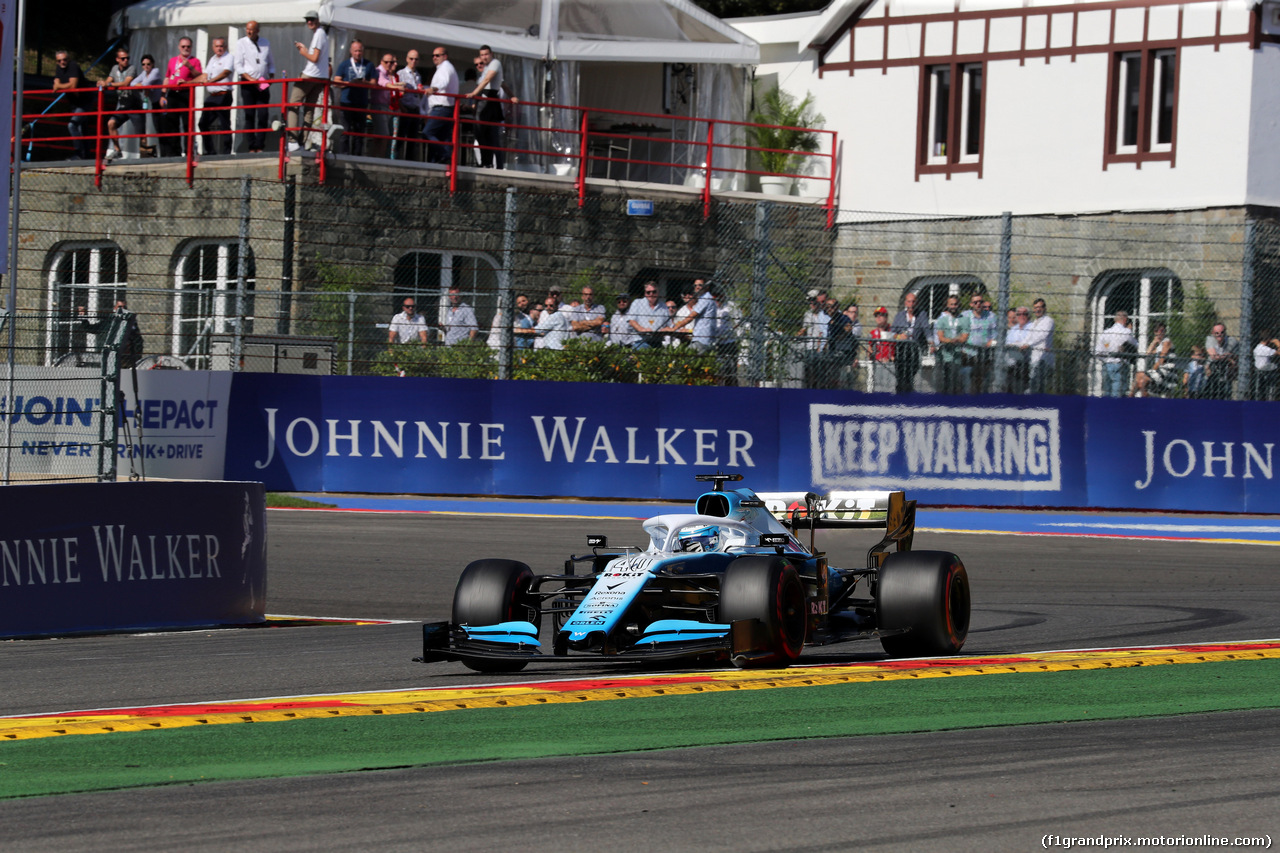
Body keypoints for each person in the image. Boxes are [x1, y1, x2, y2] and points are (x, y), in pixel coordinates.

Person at [287, 10, 330, 153]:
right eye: (307, 20)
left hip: (312, 75)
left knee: (293, 104)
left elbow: (314, 58)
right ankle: (301, 141)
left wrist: (303, 51)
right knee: (309, 109)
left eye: (312, 19)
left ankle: (293, 140)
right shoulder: (321, 34)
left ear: (317, 20)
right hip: (321, 77)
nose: (309, 22)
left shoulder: (319, 34)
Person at [158, 37, 202, 157]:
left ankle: (188, 152)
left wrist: (190, 67)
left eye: (188, 46)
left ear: (191, 48)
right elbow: (167, 77)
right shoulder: (172, 60)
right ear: (179, 47)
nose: (185, 49)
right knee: (172, 123)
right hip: (172, 93)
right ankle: (174, 153)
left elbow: (200, 76)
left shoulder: (195, 61)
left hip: (186, 93)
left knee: (187, 123)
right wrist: (163, 94)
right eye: (183, 46)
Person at [235, 21, 275, 154]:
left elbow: (270, 62)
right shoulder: (241, 43)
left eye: (252, 30)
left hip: (262, 82)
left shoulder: (265, 42)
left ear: (257, 30)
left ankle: (260, 145)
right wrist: (251, 79)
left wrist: (271, 77)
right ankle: (251, 146)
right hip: (248, 83)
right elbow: (238, 66)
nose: (249, 32)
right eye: (247, 29)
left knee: (263, 114)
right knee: (249, 115)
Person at [468, 45, 508, 169]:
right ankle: (487, 162)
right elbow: (499, 82)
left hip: (488, 101)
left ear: (491, 54)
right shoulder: (487, 68)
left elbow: (487, 81)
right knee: (481, 134)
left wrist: (474, 93)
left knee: (489, 135)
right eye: (481, 56)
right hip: (483, 101)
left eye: (486, 55)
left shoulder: (495, 64)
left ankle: (491, 164)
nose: (483, 60)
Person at [330, 40, 372, 156]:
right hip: (346, 101)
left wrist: (365, 83)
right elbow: (336, 81)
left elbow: (374, 83)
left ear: (363, 52)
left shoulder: (368, 64)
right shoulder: (344, 64)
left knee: (359, 131)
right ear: (351, 51)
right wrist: (348, 83)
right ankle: (344, 153)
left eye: (359, 51)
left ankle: (357, 155)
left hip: (361, 102)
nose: (358, 53)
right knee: (345, 129)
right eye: (355, 51)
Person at [77, 299, 144, 369]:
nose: (122, 309)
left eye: (124, 307)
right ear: (115, 308)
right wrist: (83, 316)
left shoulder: (130, 323)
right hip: (111, 354)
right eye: (120, 307)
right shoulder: (110, 321)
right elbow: (90, 328)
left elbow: (138, 340)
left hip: (126, 356)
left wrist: (136, 356)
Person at [198, 38, 235, 155]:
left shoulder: (229, 57)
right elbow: (205, 75)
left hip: (223, 95)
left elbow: (226, 72)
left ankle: (226, 153)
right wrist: (187, 82)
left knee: (224, 124)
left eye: (222, 46)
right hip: (212, 96)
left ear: (225, 47)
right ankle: (210, 151)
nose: (219, 48)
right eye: (217, 46)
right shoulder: (212, 59)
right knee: (203, 123)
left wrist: (211, 81)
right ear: (213, 47)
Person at [52, 50, 91, 160]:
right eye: (59, 61)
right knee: (82, 128)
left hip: (84, 101)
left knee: (72, 125)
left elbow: (72, 85)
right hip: (75, 102)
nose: (62, 62)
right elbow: (55, 84)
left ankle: (79, 154)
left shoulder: (73, 66)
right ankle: (86, 156)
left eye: (64, 60)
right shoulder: (59, 68)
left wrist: (59, 85)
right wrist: (61, 85)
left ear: (68, 59)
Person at [99, 49, 137, 161]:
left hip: (135, 104)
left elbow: (126, 83)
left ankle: (150, 155)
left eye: (127, 58)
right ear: (117, 60)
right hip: (124, 105)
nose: (126, 60)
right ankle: (117, 150)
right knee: (111, 123)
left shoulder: (132, 68)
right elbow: (108, 81)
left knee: (141, 132)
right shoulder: (115, 69)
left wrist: (110, 84)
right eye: (123, 58)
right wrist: (102, 83)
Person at [423, 47, 459, 164]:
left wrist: (433, 88)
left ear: (445, 56)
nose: (434, 57)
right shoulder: (444, 68)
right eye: (433, 55)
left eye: (438, 55)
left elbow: (443, 82)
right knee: (444, 137)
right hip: (446, 107)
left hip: (441, 107)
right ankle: (444, 161)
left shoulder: (445, 68)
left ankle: (446, 155)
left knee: (428, 133)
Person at [891, 291, 929, 394]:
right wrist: (899, 336)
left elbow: (927, 331)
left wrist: (931, 343)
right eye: (909, 302)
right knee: (900, 376)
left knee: (910, 376)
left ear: (916, 303)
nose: (911, 304)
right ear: (905, 303)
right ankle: (900, 397)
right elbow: (892, 333)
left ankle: (908, 396)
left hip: (914, 350)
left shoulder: (921, 315)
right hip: (902, 350)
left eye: (913, 302)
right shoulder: (899, 316)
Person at [667, 279, 718, 353]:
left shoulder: (705, 298)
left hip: (702, 339)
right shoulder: (704, 298)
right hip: (703, 338)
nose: (697, 287)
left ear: (706, 287)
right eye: (695, 285)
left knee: (685, 358)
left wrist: (674, 329)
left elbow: (691, 316)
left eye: (700, 285)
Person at [933, 294, 970, 396]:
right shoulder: (942, 320)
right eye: (951, 304)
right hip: (944, 355)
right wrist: (952, 340)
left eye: (956, 304)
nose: (953, 306)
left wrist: (954, 340)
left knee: (955, 383)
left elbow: (964, 337)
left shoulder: (964, 320)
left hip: (957, 356)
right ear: (947, 305)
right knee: (944, 383)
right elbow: (941, 337)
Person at [1096, 310, 1137, 398]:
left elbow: (1098, 351)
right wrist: (1130, 331)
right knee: (1118, 391)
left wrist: (1106, 359)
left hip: (1107, 364)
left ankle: (1106, 408)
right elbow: (1136, 345)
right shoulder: (1126, 332)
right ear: (1125, 319)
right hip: (1120, 363)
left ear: (1115, 319)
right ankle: (1116, 409)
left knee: (1106, 390)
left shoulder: (1106, 332)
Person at [1132, 323, 1177, 398]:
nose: (1159, 333)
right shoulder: (1159, 345)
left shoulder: (1167, 342)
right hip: (1159, 370)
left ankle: (1140, 397)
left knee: (1141, 378)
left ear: (1165, 332)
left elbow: (1161, 359)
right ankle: (1132, 397)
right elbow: (1148, 353)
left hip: (1166, 371)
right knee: (1139, 378)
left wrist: (1153, 370)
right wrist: (1154, 341)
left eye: (1162, 331)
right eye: (1157, 331)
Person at [964, 293, 997, 394]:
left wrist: (991, 341)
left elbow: (996, 334)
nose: (978, 304)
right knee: (968, 383)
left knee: (982, 383)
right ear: (971, 304)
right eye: (975, 302)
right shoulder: (965, 316)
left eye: (980, 302)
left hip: (985, 354)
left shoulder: (991, 316)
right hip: (968, 354)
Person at [396, 50, 424, 161]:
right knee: (401, 136)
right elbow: (396, 93)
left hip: (415, 108)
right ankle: (396, 159)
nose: (413, 61)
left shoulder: (418, 75)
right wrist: (402, 108)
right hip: (405, 108)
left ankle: (409, 160)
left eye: (416, 59)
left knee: (412, 137)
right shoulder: (400, 74)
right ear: (407, 59)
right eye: (411, 59)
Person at [368, 54, 398, 159]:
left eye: (391, 62)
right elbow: (385, 84)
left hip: (384, 106)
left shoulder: (386, 74)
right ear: (381, 62)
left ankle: (372, 157)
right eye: (386, 62)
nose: (389, 64)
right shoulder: (379, 72)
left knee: (379, 136)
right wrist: (399, 86)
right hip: (379, 106)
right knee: (384, 135)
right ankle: (380, 158)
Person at [133, 55, 162, 157]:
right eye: (143, 64)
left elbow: (146, 83)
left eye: (148, 64)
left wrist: (141, 85)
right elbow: (132, 83)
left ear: (152, 64)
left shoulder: (155, 71)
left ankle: (167, 154)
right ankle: (161, 153)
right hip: (154, 103)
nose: (146, 66)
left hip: (161, 103)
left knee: (162, 128)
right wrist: (141, 85)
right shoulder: (144, 73)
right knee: (158, 128)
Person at [798, 288, 829, 388]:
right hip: (810, 347)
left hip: (820, 348)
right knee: (809, 375)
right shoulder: (808, 314)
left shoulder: (824, 314)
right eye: (811, 302)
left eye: (814, 302)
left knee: (820, 375)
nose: (812, 304)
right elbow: (805, 328)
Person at [823, 298, 856, 389]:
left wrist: (842, 335)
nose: (830, 309)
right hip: (833, 354)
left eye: (832, 307)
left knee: (843, 380)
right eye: (828, 307)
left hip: (843, 354)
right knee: (832, 380)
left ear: (837, 307)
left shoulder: (842, 318)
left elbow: (848, 328)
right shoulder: (830, 321)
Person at [1025, 298, 1055, 394]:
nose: (1037, 310)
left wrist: (1028, 344)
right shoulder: (1034, 322)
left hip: (1043, 358)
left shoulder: (1048, 321)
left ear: (1044, 308)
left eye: (1039, 307)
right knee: (1033, 383)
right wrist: (1021, 344)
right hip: (1034, 358)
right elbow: (1029, 337)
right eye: (1035, 308)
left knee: (1038, 384)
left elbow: (1042, 335)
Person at [1204, 322, 1240, 400]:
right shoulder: (1210, 340)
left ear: (1225, 332)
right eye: (1216, 333)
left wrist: (1229, 358)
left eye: (1222, 332)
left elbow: (1238, 356)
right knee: (1210, 394)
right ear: (1212, 333)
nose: (1219, 335)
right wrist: (1229, 358)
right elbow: (1214, 356)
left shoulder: (1232, 341)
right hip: (1212, 372)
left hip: (1226, 373)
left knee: (1226, 395)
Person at [628, 282, 667, 349]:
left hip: (657, 342)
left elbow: (668, 324)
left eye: (654, 292)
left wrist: (665, 330)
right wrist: (642, 329)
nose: (651, 294)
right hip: (641, 341)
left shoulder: (663, 306)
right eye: (648, 292)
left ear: (658, 292)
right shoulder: (637, 303)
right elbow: (631, 321)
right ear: (645, 293)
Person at [1003, 306, 1031, 393]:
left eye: (1024, 314)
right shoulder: (1014, 329)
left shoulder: (1032, 327)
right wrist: (1017, 344)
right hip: (1011, 364)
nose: (1021, 316)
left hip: (1025, 363)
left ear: (1028, 316)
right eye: (1018, 314)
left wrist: (1016, 345)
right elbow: (1008, 344)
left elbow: (1025, 344)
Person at [868, 307, 896, 393]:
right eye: (876, 316)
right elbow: (869, 349)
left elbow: (897, 347)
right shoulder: (873, 333)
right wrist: (871, 355)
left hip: (890, 363)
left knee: (891, 388)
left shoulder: (893, 331)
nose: (878, 318)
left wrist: (892, 357)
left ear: (886, 317)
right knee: (878, 388)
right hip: (877, 363)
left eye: (881, 315)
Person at [1252, 329, 1280, 401]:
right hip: (1265, 373)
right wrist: (1278, 343)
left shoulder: (1257, 348)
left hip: (1260, 372)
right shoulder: (1266, 349)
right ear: (1269, 339)